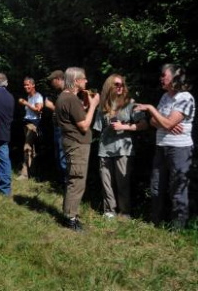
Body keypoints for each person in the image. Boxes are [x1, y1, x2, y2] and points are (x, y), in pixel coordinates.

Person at [135, 64, 195, 229]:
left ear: (175, 78)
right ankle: (155, 223)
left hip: (179, 149)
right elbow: (155, 122)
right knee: (156, 185)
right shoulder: (165, 97)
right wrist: (164, 122)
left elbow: (164, 121)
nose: (161, 78)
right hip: (161, 146)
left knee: (178, 188)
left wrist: (152, 110)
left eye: (164, 75)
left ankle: (177, 229)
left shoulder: (185, 97)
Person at [93, 74, 147, 219]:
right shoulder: (103, 105)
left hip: (123, 149)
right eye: (116, 84)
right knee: (106, 182)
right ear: (109, 86)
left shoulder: (130, 103)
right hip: (105, 149)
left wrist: (124, 126)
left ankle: (125, 212)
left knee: (123, 182)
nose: (120, 87)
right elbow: (98, 128)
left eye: (122, 84)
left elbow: (143, 124)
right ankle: (109, 211)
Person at [55, 67, 100, 231]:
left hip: (71, 142)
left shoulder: (65, 97)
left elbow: (78, 117)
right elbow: (84, 125)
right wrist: (94, 105)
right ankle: (70, 219)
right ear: (76, 81)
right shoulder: (71, 99)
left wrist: (87, 105)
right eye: (84, 78)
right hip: (77, 145)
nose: (86, 81)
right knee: (77, 180)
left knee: (73, 178)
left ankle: (69, 213)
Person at [16, 77, 43, 180]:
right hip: (27, 124)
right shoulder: (29, 96)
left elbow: (38, 110)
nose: (25, 87)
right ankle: (33, 172)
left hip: (33, 125)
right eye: (24, 85)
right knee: (32, 149)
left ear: (33, 85)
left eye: (28, 85)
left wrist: (26, 103)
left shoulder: (38, 97)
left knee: (27, 147)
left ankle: (25, 174)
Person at [44, 70, 67, 183]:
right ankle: (61, 182)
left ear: (58, 79)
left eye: (52, 81)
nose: (51, 83)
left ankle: (67, 185)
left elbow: (67, 112)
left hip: (63, 129)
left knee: (63, 156)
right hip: (57, 127)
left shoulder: (67, 93)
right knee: (58, 155)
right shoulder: (57, 93)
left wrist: (51, 106)